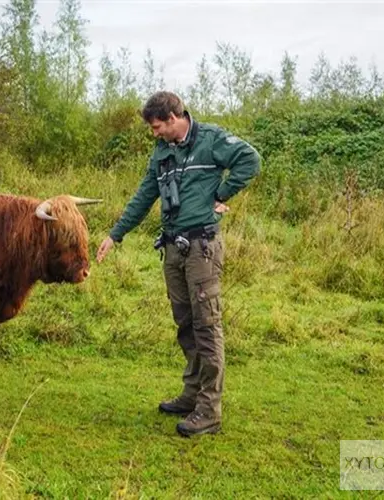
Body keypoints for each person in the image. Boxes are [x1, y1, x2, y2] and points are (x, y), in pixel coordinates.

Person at [96, 91, 260, 437]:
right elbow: (144, 194)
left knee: (206, 326)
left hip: (202, 247)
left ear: (173, 118)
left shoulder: (212, 140)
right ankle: (192, 393)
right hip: (173, 248)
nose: (153, 133)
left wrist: (221, 194)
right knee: (185, 323)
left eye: (157, 127)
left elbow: (251, 160)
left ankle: (209, 411)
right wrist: (116, 234)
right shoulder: (161, 152)